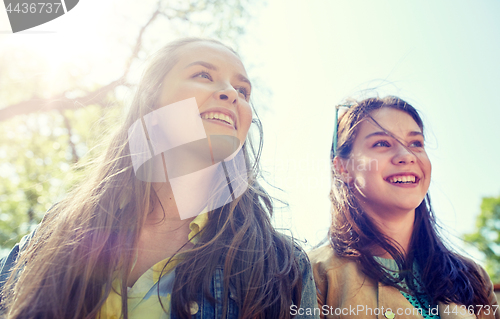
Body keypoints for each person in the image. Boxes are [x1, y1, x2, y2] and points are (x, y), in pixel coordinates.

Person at [0, 38, 318, 319]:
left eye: (243, 90)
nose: (231, 94)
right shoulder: (53, 234)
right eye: (203, 75)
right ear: (151, 99)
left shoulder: (284, 268)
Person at [309, 96, 499, 319]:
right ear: (343, 168)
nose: (407, 156)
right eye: (382, 143)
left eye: (416, 143)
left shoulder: (473, 277)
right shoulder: (313, 275)